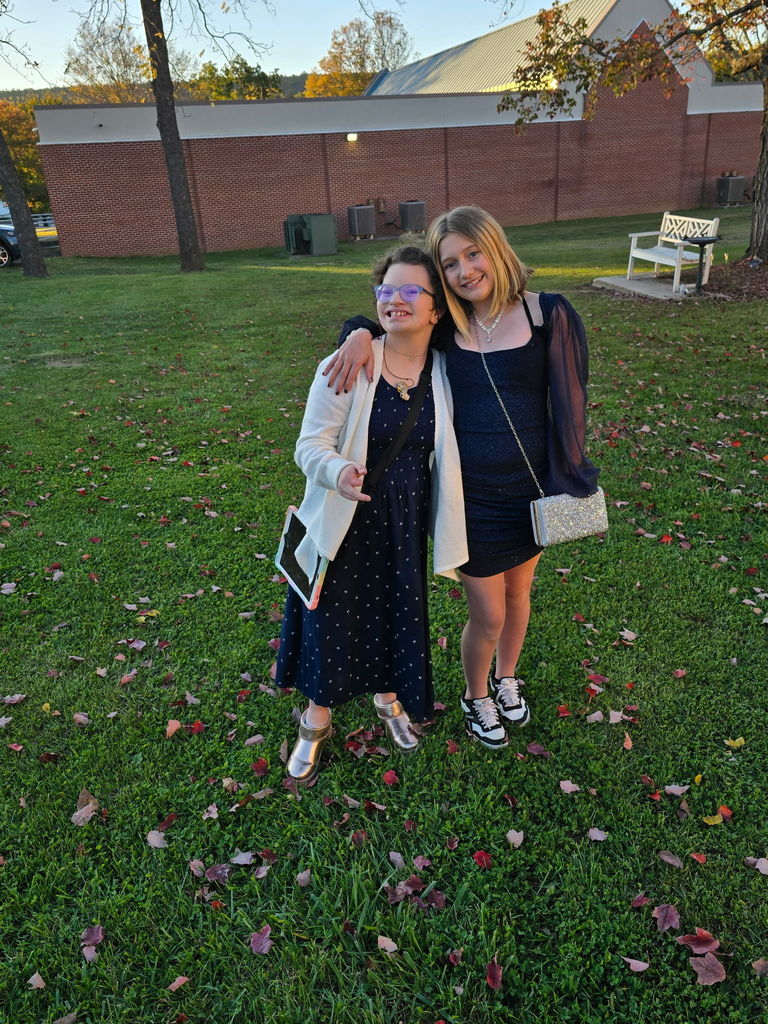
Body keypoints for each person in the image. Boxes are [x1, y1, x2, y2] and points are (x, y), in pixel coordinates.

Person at [325, 206, 599, 750]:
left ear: (496, 249)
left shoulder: (548, 314)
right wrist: (356, 332)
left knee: (519, 597)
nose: (464, 270)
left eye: (473, 254)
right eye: (449, 263)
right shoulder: (447, 326)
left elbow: (572, 401)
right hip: (469, 496)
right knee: (489, 613)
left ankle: (506, 677)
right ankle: (477, 696)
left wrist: (570, 476)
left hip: (529, 491)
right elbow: (395, 318)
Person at [275, 245, 467, 784]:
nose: (394, 299)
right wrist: (336, 471)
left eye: (410, 290)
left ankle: (387, 697)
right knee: (330, 617)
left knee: (393, 611)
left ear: (437, 308)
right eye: (386, 289)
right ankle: (316, 719)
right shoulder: (349, 362)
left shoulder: (446, 369)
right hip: (346, 515)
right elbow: (309, 444)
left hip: (405, 523)